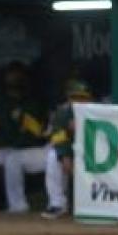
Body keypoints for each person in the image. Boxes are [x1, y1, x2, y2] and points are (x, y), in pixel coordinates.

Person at [0, 63, 49, 213]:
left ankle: (22, 202)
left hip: (32, 148)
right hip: (6, 148)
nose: (14, 78)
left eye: (17, 74)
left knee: (13, 159)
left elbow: (39, 134)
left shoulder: (35, 102)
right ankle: (0, 200)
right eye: (11, 74)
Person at [41, 80, 93, 219]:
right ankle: (57, 204)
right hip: (73, 152)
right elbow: (58, 137)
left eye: (82, 98)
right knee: (53, 156)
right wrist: (65, 156)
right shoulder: (63, 112)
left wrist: (83, 126)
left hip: (96, 154)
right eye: (74, 98)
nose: (78, 102)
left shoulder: (99, 111)